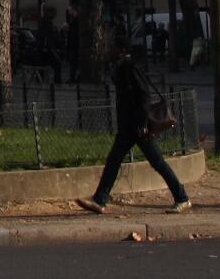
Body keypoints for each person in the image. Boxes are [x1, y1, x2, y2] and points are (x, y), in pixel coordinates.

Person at [77, 33, 190, 215]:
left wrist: (142, 122)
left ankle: (182, 197)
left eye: (113, 47)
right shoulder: (122, 67)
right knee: (117, 161)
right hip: (129, 126)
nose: (109, 50)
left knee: (156, 162)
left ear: (121, 50)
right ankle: (100, 199)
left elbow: (144, 96)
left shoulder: (130, 67)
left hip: (136, 126)